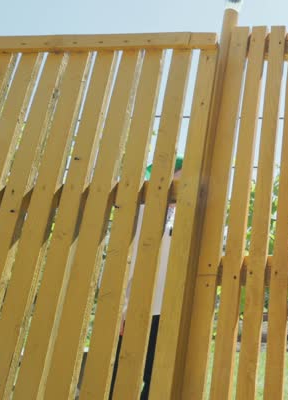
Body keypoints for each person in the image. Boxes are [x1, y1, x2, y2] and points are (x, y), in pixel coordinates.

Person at [109, 157, 181, 399]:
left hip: (165, 310)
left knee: (156, 378)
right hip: (134, 307)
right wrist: (123, 307)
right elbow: (126, 261)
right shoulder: (140, 212)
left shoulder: (184, 218)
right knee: (119, 375)